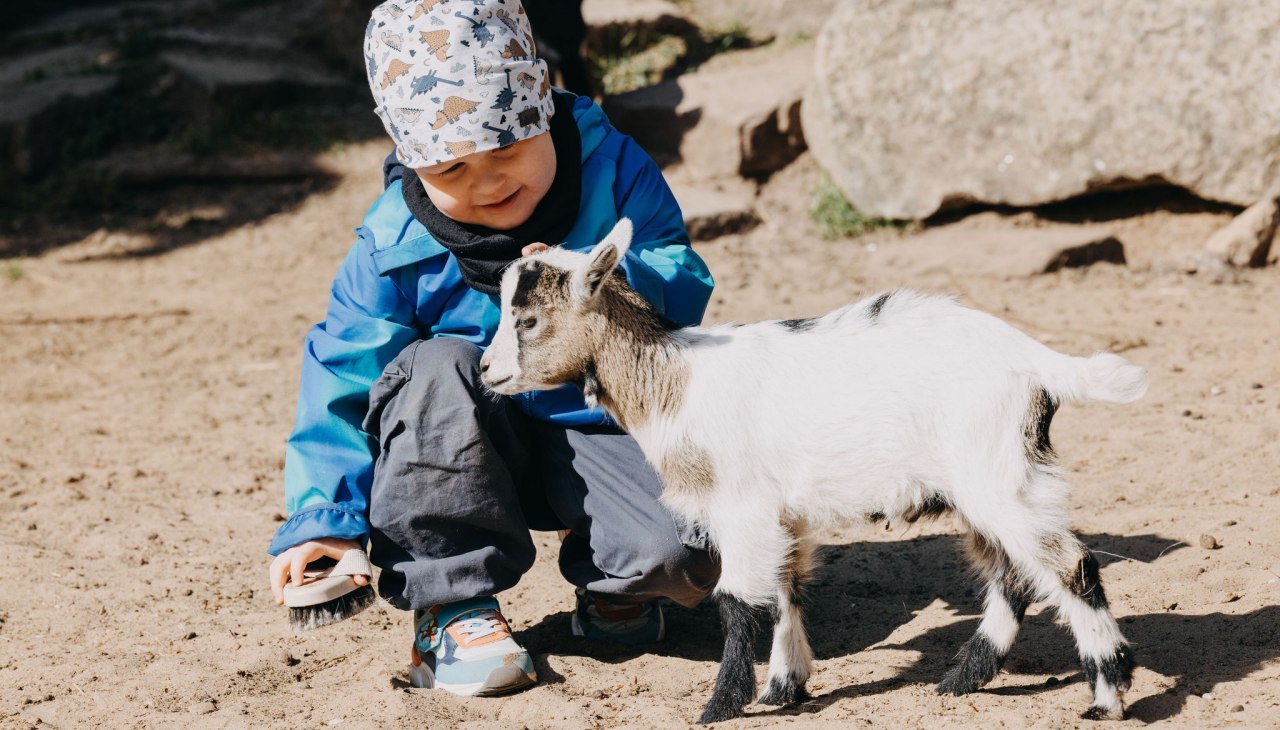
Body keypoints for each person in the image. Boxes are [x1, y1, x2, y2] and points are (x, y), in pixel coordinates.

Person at [265, 0, 719, 698]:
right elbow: (342, 374)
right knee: (433, 366)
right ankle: (453, 604)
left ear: (541, 105)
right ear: (414, 161)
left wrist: (610, 281)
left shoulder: (611, 168)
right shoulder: (394, 242)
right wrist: (322, 519)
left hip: (595, 424)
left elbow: (681, 275)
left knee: (687, 551)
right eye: (451, 171)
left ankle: (611, 574)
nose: (488, 183)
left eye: (506, 150)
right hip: (460, 441)